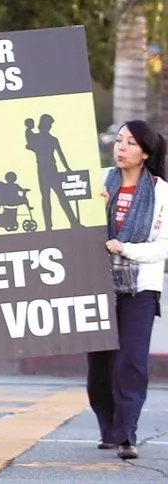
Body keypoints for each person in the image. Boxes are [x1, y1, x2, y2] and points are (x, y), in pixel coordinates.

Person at [90, 120, 168, 460]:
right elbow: (73, 227)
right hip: (95, 284)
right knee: (101, 365)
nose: (121, 147)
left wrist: (125, 249)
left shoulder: (161, 192)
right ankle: (108, 427)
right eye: (119, 140)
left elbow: (163, 246)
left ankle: (126, 434)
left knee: (131, 362)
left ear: (145, 152)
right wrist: (96, 207)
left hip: (140, 288)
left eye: (130, 142)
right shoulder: (99, 181)